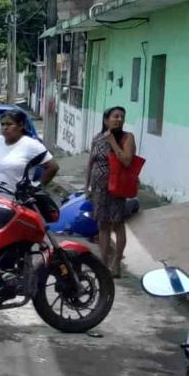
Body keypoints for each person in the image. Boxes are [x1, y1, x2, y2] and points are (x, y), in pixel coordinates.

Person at [85, 106, 137, 277]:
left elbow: (127, 161)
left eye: (122, 116)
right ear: (106, 120)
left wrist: (113, 143)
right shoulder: (97, 138)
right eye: (115, 116)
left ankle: (116, 264)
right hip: (99, 188)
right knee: (103, 224)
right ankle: (104, 263)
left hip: (117, 187)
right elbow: (91, 163)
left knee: (117, 223)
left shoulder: (127, 138)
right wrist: (87, 186)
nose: (119, 119)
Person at [0, 109, 59, 190]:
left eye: (9, 124)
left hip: (15, 200)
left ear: (21, 125)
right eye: (2, 124)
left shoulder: (32, 145)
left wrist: (37, 187)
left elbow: (53, 167)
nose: (5, 128)